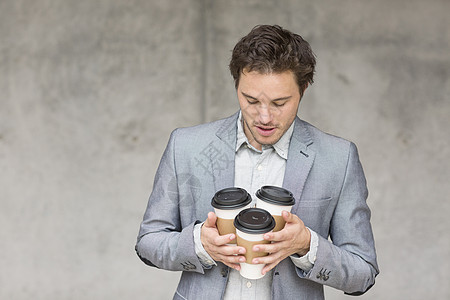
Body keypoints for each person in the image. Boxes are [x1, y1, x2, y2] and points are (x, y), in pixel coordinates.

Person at [135, 24, 379, 300]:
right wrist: (199, 244)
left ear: (304, 88)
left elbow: (363, 273)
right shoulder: (186, 146)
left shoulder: (338, 158)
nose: (264, 117)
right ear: (237, 83)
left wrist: (307, 245)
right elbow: (148, 243)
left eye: (279, 103)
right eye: (251, 100)